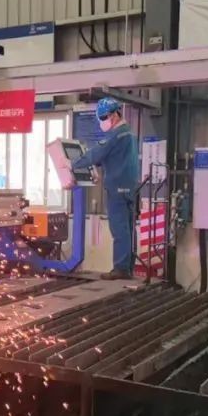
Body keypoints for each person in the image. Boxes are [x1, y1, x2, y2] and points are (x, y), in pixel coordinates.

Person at [71, 97, 139, 280]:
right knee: (128, 229)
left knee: (119, 230)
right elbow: (114, 157)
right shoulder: (129, 134)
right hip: (129, 188)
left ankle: (121, 268)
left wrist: (72, 164)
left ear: (114, 115)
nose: (102, 122)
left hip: (117, 188)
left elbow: (95, 154)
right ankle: (128, 267)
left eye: (103, 118)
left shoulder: (115, 135)